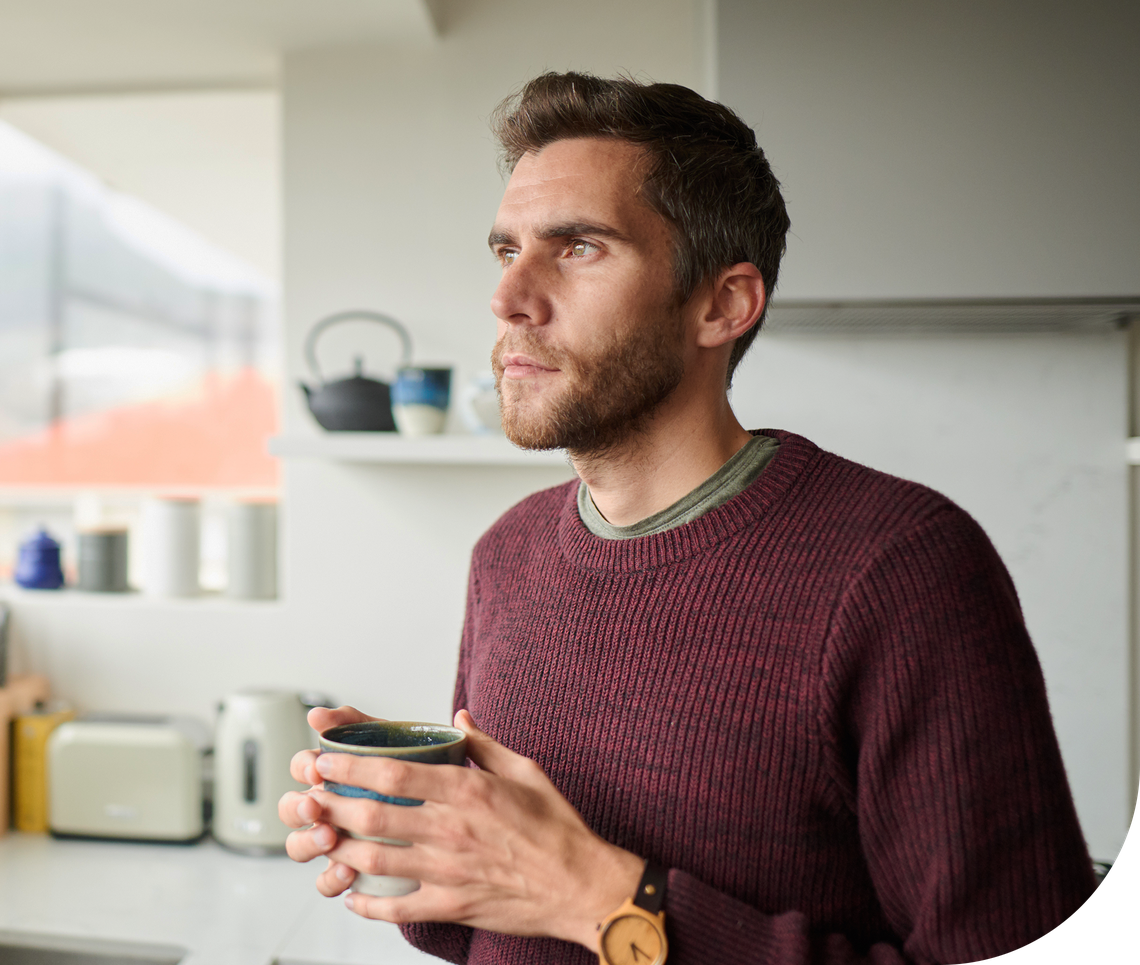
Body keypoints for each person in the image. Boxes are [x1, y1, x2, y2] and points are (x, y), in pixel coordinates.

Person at [279, 72, 1096, 964]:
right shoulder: (507, 553)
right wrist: (414, 846)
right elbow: (501, 923)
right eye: (505, 250)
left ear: (723, 304)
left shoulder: (903, 567)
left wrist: (600, 898)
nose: (509, 296)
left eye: (580, 246)